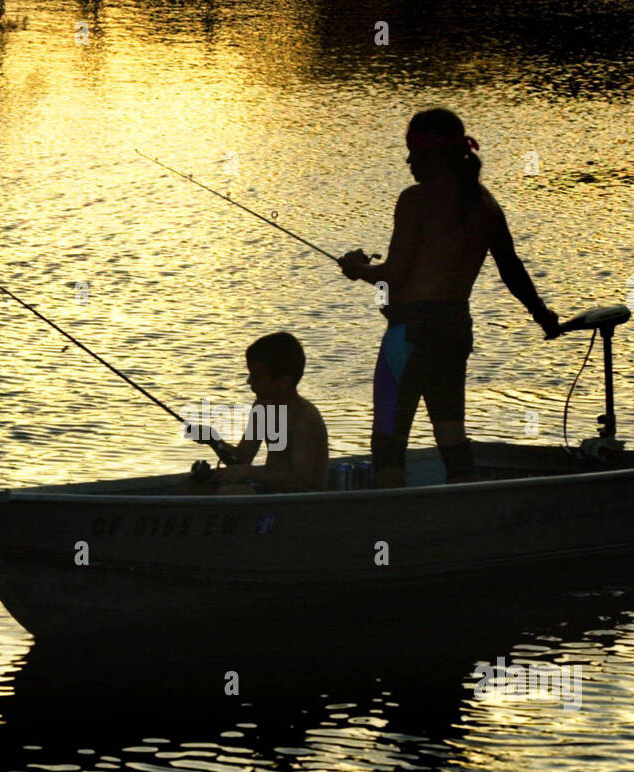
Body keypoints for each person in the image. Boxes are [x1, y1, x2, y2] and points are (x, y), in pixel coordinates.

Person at [339, 108, 561, 487]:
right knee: (451, 434)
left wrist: (357, 268)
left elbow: (394, 275)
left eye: (415, 152)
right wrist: (542, 315)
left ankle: (387, 528)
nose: (408, 160)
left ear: (436, 155)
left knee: (389, 437)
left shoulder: (415, 200)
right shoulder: (484, 203)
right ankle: (467, 510)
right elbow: (511, 269)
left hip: (409, 335)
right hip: (454, 329)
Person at [188, 332, 329, 493]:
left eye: (256, 377)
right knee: (191, 485)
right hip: (271, 490)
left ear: (283, 382)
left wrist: (248, 472)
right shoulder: (263, 408)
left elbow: (301, 481)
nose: (248, 382)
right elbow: (242, 458)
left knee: (229, 493)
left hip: (300, 501)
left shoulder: (304, 419)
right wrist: (214, 440)